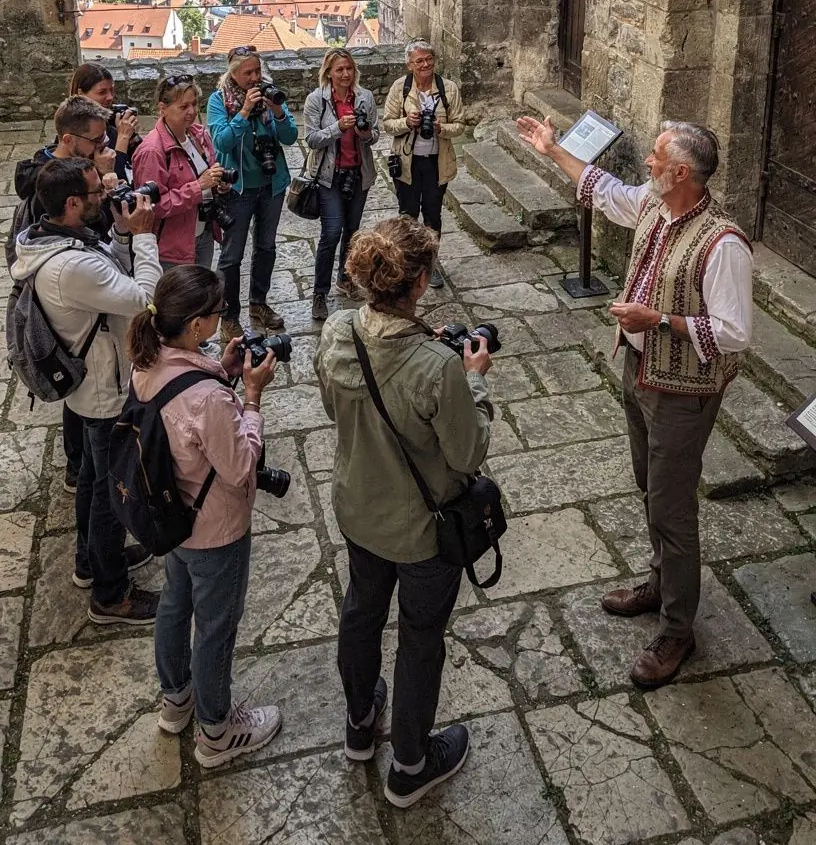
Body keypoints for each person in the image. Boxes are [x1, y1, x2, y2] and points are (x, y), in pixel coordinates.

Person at [517, 113, 753, 689]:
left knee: (672, 508)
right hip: (640, 369)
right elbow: (607, 192)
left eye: (655, 157)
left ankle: (678, 628)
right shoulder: (654, 200)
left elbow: (734, 332)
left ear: (680, 172)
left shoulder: (723, 244)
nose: (646, 162)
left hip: (683, 392)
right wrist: (553, 151)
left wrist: (660, 321)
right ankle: (660, 583)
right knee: (650, 485)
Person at [314, 216, 494, 809]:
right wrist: (474, 384)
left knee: (362, 612)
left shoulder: (338, 332)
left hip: (359, 508)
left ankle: (361, 722)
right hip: (421, 529)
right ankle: (411, 763)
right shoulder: (437, 368)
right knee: (420, 637)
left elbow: (337, 408)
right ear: (417, 283)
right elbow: (466, 455)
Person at [129, 265, 283, 767]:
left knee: (175, 606)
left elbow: (184, 412)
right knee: (216, 627)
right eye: (218, 314)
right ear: (196, 324)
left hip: (171, 518)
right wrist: (252, 398)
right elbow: (241, 466)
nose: (223, 320)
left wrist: (223, 368)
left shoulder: (148, 362)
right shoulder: (209, 398)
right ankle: (217, 732)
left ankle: (177, 701)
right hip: (215, 529)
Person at [11, 156, 163, 624]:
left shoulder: (55, 237)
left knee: (95, 483)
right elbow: (143, 302)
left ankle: (90, 563)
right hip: (103, 392)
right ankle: (110, 594)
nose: (107, 194)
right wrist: (143, 235)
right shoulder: (70, 267)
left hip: (93, 386)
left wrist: (118, 236)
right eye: (97, 192)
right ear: (73, 202)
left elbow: (109, 275)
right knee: (111, 495)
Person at [9, 95, 118, 494]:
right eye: (96, 140)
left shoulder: (62, 180)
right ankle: (78, 467)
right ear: (71, 141)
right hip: (76, 320)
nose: (102, 146)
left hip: (75, 307)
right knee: (81, 393)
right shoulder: (52, 194)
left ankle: (81, 466)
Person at [207, 46, 298, 345]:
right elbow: (221, 141)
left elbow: (290, 137)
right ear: (233, 73)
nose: (255, 78)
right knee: (232, 256)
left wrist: (279, 113)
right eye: (248, 73)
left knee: (267, 246)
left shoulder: (269, 95)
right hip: (238, 187)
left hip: (271, 184)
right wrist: (244, 112)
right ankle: (229, 316)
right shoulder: (218, 100)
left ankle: (258, 302)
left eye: (257, 71)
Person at [303, 48, 380, 322]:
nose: (345, 74)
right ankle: (319, 293)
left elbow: (375, 136)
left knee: (352, 231)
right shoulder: (317, 100)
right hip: (329, 177)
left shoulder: (365, 97)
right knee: (331, 232)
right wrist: (338, 127)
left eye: (348, 68)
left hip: (358, 174)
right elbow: (311, 139)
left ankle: (345, 278)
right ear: (329, 73)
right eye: (339, 70)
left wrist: (365, 133)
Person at [382, 40, 465, 290]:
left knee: (432, 216)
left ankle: (429, 265)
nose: (425, 64)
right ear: (410, 64)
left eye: (429, 59)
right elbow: (387, 123)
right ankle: (407, 264)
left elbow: (460, 124)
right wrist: (407, 122)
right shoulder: (401, 87)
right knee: (408, 215)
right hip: (407, 162)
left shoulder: (448, 88)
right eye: (419, 61)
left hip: (436, 163)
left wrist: (441, 128)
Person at [133, 75, 226, 274]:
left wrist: (218, 184)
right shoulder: (152, 151)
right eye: (183, 107)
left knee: (202, 297)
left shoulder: (197, 135)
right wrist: (198, 187)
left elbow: (206, 175)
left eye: (194, 104)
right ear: (162, 108)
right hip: (172, 247)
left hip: (202, 233)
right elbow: (152, 207)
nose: (192, 112)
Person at [69, 62, 140, 182]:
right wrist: (123, 137)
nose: (110, 97)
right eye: (102, 92)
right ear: (81, 94)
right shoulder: (78, 136)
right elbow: (116, 178)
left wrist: (132, 136)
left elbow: (140, 157)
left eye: (111, 90)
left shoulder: (110, 122)